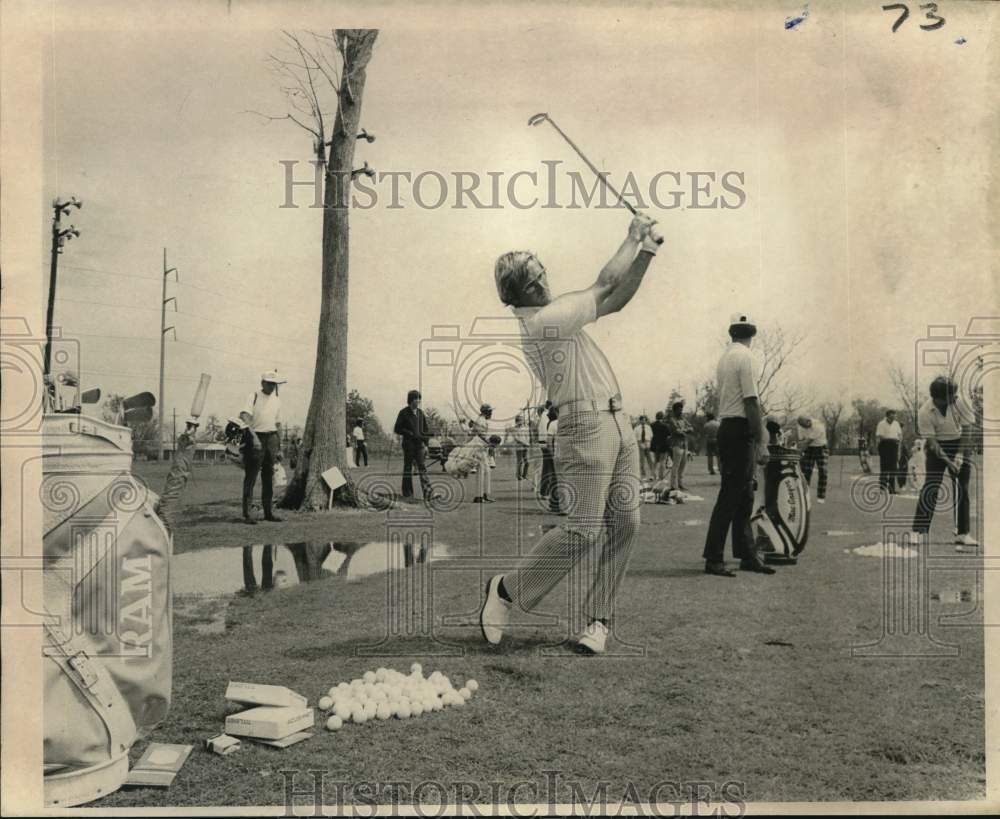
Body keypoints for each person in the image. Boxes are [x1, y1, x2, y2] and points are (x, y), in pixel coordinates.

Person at [480, 213, 661, 654]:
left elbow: (616, 300)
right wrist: (632, 237)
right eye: (537, 274)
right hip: (584, 426)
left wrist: (648, 254)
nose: (546, 277)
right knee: (582, 530)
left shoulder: (556, 314)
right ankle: (505, 590)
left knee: (627, 522)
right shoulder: (545, 321)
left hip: (618, 422)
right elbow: (603, 284)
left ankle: (597, 621)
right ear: (522, 289)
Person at [702, 313, 774, 577]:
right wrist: (761, 441)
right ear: (751, 335)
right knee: (732, 496)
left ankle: (746, 554)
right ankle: (713, 557)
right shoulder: (747, 357)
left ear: (732, 333)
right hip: (739, 429)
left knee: (744, 495)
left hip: (728, 428)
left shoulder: (726, 357)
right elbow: (751, 402)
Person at [910, 376, 977, 551]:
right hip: (938, 444)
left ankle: (963, 534)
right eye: (951, 395)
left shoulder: (962, 402)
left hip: (960, 442)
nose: (955, 397)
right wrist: (948, 461)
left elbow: (968, 431)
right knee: (931, 485)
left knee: (963, 487)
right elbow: (932, 443)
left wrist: (960, 456)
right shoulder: (925, 411)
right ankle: (918, 531)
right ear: (938, 398)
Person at [239, 370, 286, 524]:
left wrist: (279, 445)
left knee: (268, 477)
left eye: (274, 384)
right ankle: (248, 514)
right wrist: (253, 436)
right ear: (262, 383)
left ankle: (268, 512)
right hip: (256, 437)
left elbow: (278, 423)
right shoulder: (253, 396)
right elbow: (244, 416)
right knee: (251, 477)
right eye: (269, 383)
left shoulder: (277, 400)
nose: (271, 386)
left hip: (272, 438)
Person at [393, 389, 438, 502]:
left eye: (419, 398)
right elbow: (397, 429)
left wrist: (426, 444)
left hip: (420, 445)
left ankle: (429, 494)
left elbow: (425, 430)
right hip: (408, 444)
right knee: (408, 468)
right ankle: (408, 494)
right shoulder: (403, 413)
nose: (418, 401)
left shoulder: (420, 413)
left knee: (422, 468)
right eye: (415, 398)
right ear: (410, 400)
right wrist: (409, 433)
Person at [796, 415, 829, 504]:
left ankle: (821, 496)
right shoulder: (801, 428)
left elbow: (807, 442)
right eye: (803, 426)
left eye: (806, 424)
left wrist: (798, 453)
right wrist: (800, 449)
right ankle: (805, 495)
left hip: (821, 448)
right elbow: (801, 441)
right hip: (809, 449)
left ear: (809, 420)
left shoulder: (818, 425)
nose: (805, 427)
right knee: (805, 472)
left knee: (823, 471)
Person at [470, 403, 497, 503]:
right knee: (481, 471)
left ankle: (485, 495)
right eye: (490, 411)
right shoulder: (480, 420)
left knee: (487, 471)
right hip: (478, 447)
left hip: (483, 448)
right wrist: (490, 442)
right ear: (486, 412)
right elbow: (480, 434)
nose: (491, 413)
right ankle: (478, 497)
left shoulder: (483, 420)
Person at [665, 398, 692, 491]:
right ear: (675, 410)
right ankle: (673, 485)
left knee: (683, 465)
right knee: (676, 465)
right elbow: (677, 431)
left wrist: (684, 430)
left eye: (681, 409)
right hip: (677, 444)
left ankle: (680, 483)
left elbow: (691, 428)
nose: (681, 411)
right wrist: (685, 430)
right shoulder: (672, 420)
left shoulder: (683, 419)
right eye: (679, 409)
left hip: (684, 444)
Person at [875, 409, 902, 494]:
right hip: (885, 446)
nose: (893, 418)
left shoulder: (896, 424)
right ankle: (882, 488)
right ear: (887, 416)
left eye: (894, 416)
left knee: (893, 468)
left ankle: (891, 489)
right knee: (884, 468)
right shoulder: (881, 424)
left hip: (894, 446)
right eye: (891, 416)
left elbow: (900, 434)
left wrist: (899, 440)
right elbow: (880, 436)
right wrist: (891, 439)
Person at [507, 412, 531, 481]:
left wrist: (527, 443)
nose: (521, 421)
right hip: (519, 447)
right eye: (519, 420)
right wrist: (524, 443)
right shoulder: (514, 429)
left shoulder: (526, 428)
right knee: (520, 462)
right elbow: (516, 438)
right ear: (516, 421)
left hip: (525, 447)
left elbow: (528, 437)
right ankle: (519, 476)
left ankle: (525, 475)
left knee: (527, 462)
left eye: (522, 420)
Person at [650, 411, 671, 481]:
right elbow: (669, 436)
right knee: (662, 461)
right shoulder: (665, 426)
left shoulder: (652, 425)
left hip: (654, 445)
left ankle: (653, 476)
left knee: (655, 461)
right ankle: (661, 477)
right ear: (663, 417)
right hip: (663, 445)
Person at [633, 415, 655, 480]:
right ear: (640, 420)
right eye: (642, 420)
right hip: (640, 443)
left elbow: (651, 435)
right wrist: (639, 443)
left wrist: (648, 442)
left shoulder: (648, 427)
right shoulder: (637, 428)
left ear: (645, 420)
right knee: (641, 460)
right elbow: (634, 437)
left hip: (647, 442)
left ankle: (652, 475)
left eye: (644, 420)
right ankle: (643, 475)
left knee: (650, 460)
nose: (643, 421)